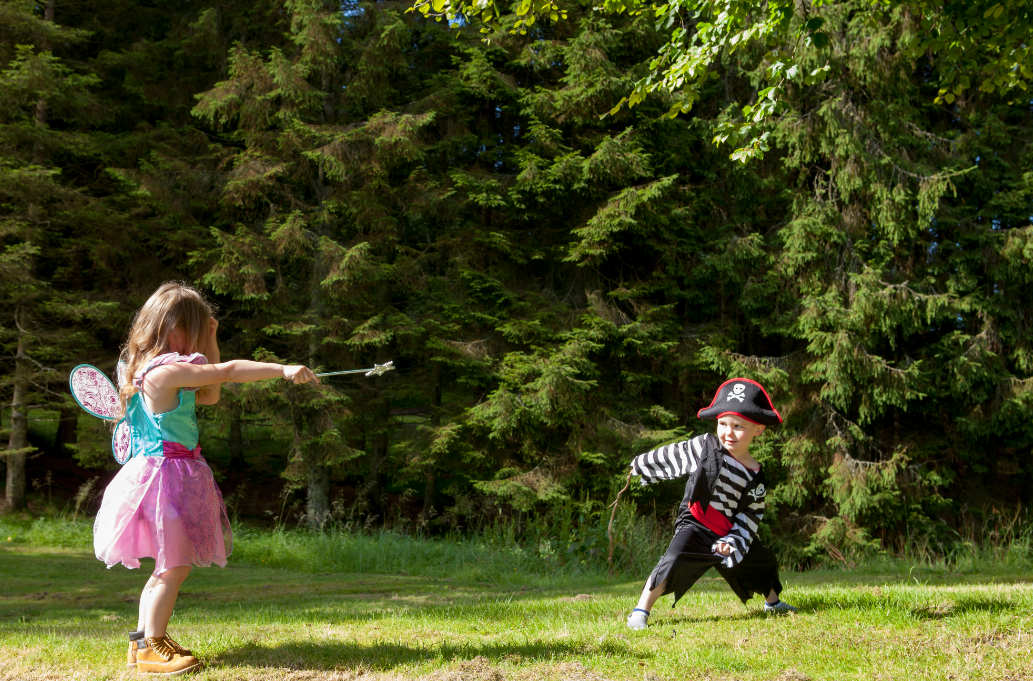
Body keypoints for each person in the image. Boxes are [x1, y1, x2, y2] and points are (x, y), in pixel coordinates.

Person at [92, 282, 319, 675]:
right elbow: (226, 372)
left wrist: (212, 337)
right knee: (175, 565)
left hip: (170, 475)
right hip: (163, 478)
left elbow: (211, 391)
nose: (197, 342)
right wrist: (283, 369)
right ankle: (151, 645)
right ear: (172, 329)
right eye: (195, 332)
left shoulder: (158, 369)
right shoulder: (165, 372)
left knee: (169, 564)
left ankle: (144, 640)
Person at [625, 378, 797, 630]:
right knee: (673, 559)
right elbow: (676, 453)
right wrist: (642, 464)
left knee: (763, 561)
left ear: (758, 429)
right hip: (696, 523)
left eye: (738, 426)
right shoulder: (706, 447)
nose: (728, 432)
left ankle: (773, 603)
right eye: (723, 424)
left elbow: (750, 517)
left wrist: (733, 542)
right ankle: (640, 610)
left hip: (729, 532)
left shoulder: (756, 477)